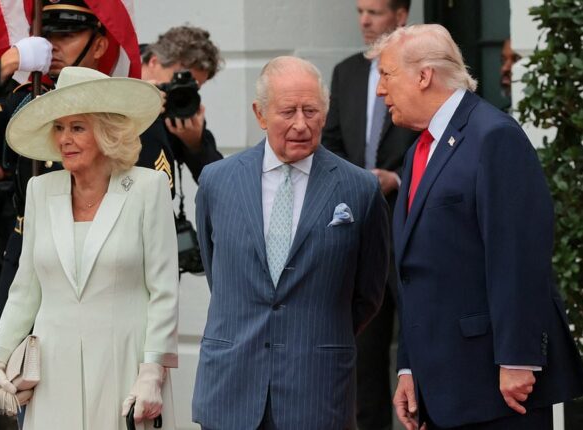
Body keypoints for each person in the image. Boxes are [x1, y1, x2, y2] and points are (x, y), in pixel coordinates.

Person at [367, 24, 583, 430]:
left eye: (387, 75)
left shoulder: (493, 136)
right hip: (438, 386)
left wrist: (519, 358)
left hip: (497, 388)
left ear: (424, 76)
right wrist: (408, 368)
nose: (381, 90)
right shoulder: (419, 149)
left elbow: (519, 255)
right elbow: (417, 274)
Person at [192, 56, 390, 429]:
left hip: (317, 391)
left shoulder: (359, 189)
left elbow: (369, 293)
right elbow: (220, 273)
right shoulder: (217, 182)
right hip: (231, 388)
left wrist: (312, 329)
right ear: (261, 114)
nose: (301, 124)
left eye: (311, 111)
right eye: (288, 112)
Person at [0, 66, 178, 429]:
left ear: (106, 132)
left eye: (77, 127)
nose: (64, 139)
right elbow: (26, 289)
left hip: (125, 370)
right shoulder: (41, 190)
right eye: (59, 127)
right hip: (53, 374)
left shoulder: (148, 188)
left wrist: (153, 370)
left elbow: (164, 290)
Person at [321, 1, 418, 428]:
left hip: (414, 225)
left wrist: (395, 179)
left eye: (375, 12)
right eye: (360, 10)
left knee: (423, 348)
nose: (364, 20)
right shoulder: (347, 71)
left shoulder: (423, 71)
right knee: (366, 362)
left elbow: (434, 140)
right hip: (361, 234)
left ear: (400, 15)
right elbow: (332, 142)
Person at [139, 25, 224, 191]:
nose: (183, 91)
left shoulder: (181, 104)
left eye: (193, 87)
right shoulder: (117, 70)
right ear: (154, 62)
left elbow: (220, 182)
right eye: (177, 81)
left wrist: (195, 144)